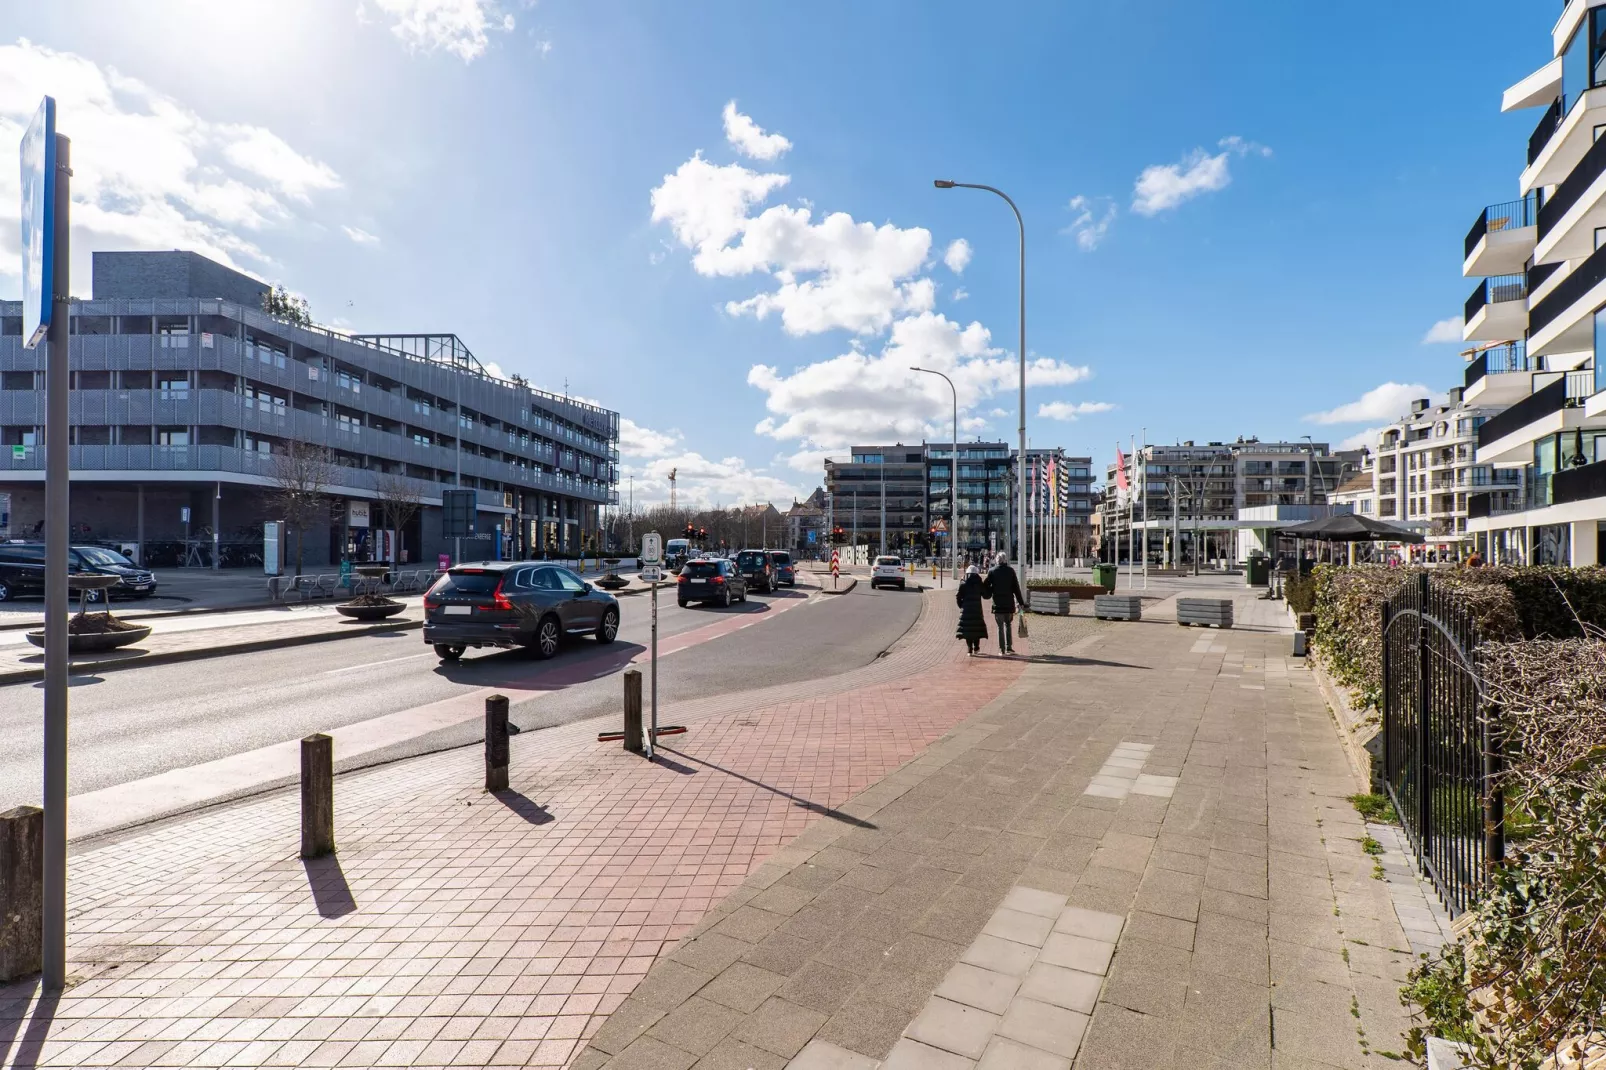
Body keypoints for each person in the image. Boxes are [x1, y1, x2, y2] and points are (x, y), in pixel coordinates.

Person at [984, 552, 1026, 655]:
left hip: (997, 604)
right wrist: (1021, 603)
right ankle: (1009, 647)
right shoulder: (1010, 571)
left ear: (997, 560)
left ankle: (1002, 649)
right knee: (1008, 625)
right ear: (1005, 560)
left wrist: (990, 591)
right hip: (1008, 604)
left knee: (1000, 627)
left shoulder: (992, 571)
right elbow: (1016, 588)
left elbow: (985, 585)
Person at [955, 564, 988, 655]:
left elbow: (958, 596)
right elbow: (985, 594)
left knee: (967, 629)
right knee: (976, 628)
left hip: (966, 609)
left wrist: (961, 606)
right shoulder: (979, 582)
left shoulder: (963, 582)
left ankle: (969, 649)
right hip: (977, 609)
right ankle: (976, 647)